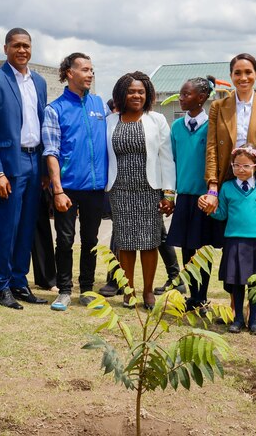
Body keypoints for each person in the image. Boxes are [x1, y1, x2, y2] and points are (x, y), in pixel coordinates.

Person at [0, 28, 48, 309]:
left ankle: (20, 282)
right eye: (17, 45)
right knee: (8, 225)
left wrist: (44, 168)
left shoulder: (40, 82)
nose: (22, 50)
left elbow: (43, 123)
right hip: (9, 162)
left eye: (26, 46)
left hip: (35, 159)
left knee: (27, 226)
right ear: (6, 48)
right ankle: (1, 285)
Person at [42, 53, 108, 311]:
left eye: (92, 69)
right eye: (85, 69)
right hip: (67, 188)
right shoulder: (54, 109)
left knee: (91, 240)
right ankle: (65, 291)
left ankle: (88, 289)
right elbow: (51, 152)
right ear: (69, 73)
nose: (90, 74)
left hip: (95, 188)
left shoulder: (100, 105)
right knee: (65, 240)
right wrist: (57, 190)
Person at [106, 71, 175, 309]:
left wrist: (168, 193)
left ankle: (147, 291)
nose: (136, 95)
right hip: (120, 189)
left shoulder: (157, 120)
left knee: (149, 242)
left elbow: (167, 158)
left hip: (149, 189)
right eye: (131, 91)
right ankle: (129, 290)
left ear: (148, 94)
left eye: (141, 92)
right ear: (121, 94)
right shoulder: (109, 121)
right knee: (124, 243)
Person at [206, 143, 256, 334]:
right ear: (232, 166)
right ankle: (238, 318)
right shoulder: (226, 188)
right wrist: (210, 209)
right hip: (234, 240)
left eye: (246, 166)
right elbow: (222, 214)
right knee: (237, 281)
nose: (241, 169)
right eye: (236, 165)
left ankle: (254, 319)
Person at [166, 77, 224, 310]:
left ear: (201, 98)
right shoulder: (177, 127)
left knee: (203, 248)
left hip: (205, 197)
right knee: (187, 247)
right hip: (185, 197)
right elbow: (172, 161)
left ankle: (202, 295)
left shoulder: (213, 126)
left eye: (186, 95)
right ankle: (192, 295)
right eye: (181, 94)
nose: (181, 98)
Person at [202, 53, 256, 218]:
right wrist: (213, 186)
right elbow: (212, 148)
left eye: (248, 72)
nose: (243, 77)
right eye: (237, 73)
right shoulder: (218, 106)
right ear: (231, 76)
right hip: (227, 177)